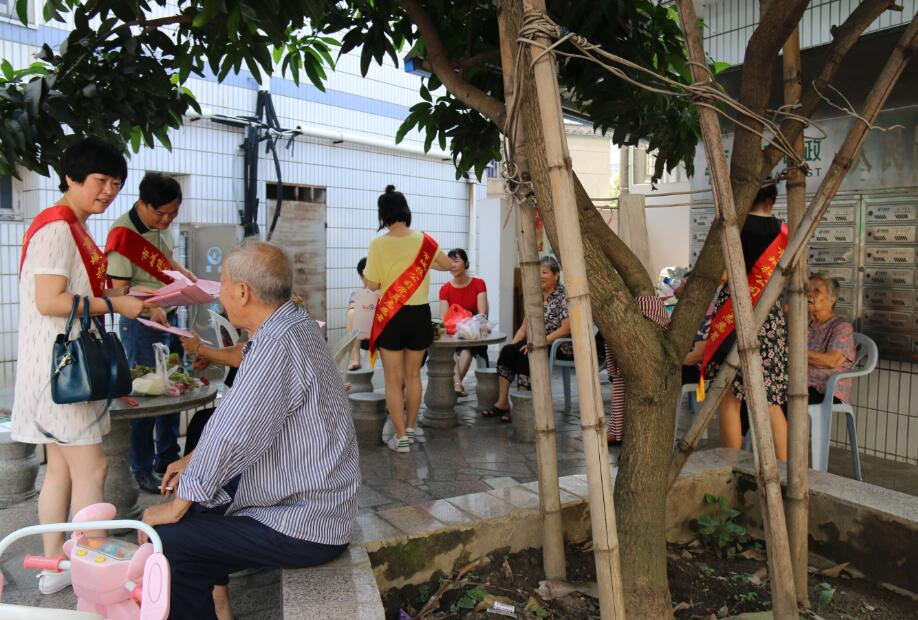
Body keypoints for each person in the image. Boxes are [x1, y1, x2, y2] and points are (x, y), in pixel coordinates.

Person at [141, 242, 360, 620]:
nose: (219, 292)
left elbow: (235, 433)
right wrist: (193, 461)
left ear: (243, 292)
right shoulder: (293, 324)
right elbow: (241, 420)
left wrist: (176, 505)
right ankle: (218, 606)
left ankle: (211, 603)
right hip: (316, 500)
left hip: (309, 522)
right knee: (199, 492)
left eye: (223, 283)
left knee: (171, 539)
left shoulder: (276, 343)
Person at [12, 136, 145, 594]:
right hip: (65, 371)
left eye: (116, 183)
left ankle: (54, 565)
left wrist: (124, 298)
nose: (108, 191)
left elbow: (71, 293)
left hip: (57, 368)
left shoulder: (70, 224)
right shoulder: (58, 228)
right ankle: (92, 568)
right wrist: (115, 304)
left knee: (61, 470)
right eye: (100, 180)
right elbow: (50, 300)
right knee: (93, 470)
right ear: (70, 177)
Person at [105, 172, 196, 494]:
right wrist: (148, 303)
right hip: (141, 324)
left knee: (174, 390)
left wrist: (188, 278)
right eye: (161, 213)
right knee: (145, 397)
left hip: (169, 316)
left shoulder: (161, 226)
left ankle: (167, 459)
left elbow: (167, 261)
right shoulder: (123, 235)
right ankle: (141, 467)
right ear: (143, 203)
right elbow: (117, 292)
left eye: (174, 212)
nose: (167, 219)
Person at [703, 180, 789, 460]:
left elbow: (721, 274)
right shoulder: (783, 231)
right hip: (770, 319)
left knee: (730, 399)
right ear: (771, 201)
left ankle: (732, 466)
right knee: (771, 402)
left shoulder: (733, 228)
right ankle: (783, 468)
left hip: (735, 315)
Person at [362, 185, 452, 453]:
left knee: (392, 379)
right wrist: (426, 264)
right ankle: (411, 429)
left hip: (392, 316)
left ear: (383, 214)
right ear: (405, 210)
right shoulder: (424, 240)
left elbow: (373, 284)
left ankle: (400, 438)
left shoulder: (378, 244)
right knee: (414, 375)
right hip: (419, 314)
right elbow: (448, 265)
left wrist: (372, 277)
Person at [483, 256, 570, 423]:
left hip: (558, 344)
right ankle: (503, 403)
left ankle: (521, 405)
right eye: (538, 272)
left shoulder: (563, 296)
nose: (540, 276)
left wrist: (542, 341)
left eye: (544, 272)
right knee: (508, 351)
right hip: (535, 342)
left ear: (556, 275)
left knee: (526, 352)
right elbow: (524, 328)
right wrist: (512, 346)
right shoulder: (535, 295)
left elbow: (566, 328)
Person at [439, 248, 489, 396]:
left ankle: (455, 385)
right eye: (450, 262)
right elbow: (444, 318)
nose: (452, 265)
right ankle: (457, 385)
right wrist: (456, 328)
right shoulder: (445, 289)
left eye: (456, 261)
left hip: (472, 331)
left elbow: (482, 313)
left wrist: (468, 326)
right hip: (453, 331)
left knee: (467, 348)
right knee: (450, 348)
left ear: (466, 263)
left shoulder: (479, 283)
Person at [807, 275, 856, 404]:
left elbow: (831, 361)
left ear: (832, 300)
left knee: (775, 402)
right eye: (807, 289)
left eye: (816, 290)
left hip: (824, 389)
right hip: (800, 383)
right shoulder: (807, 324)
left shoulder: (842, 328)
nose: (809, 294)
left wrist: (795, 354)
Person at [345, 257, 373, 370]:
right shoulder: (359, 293)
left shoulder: (387, 289)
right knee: (352, 313)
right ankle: (355, 359)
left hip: (384, 327)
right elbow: (352, 306)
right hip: (367, 329)